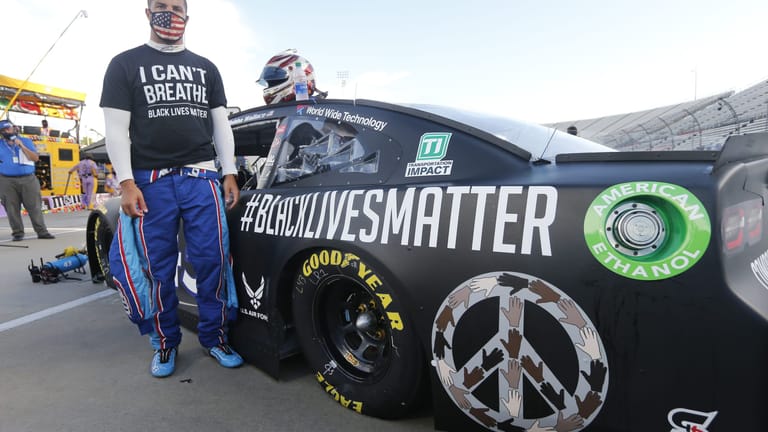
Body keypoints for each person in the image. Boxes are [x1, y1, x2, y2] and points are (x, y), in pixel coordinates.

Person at [101, 0, 242, 378]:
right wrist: (126, 182)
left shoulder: (206, 67)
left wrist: (228, 171)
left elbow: (221, 124)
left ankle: (215, 338)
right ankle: (165, 343)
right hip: (151, 182)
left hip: (201, 178)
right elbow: (116, 129)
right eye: (160, 5)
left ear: (187, 15)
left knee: (213, 260)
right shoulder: (124, 64)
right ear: (147, 13)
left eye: (176, 6)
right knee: (158, 268)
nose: (169, 12)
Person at [0, 119, 56, 241]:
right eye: (2, 130)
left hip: (28, 179)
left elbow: (35, 158)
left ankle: (42, 231)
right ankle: (17, 232)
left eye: (7, 128)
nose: (6, 131)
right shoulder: (0, 144)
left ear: (14, 128)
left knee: (34, 206)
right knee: (11, 207)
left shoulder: (26, 141)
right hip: (6, 180)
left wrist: (21, 145)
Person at [256, 49, 327, 104]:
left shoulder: (316, 110)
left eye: (277, 77)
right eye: (271, 81)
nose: (271, 83)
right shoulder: (273, 113)